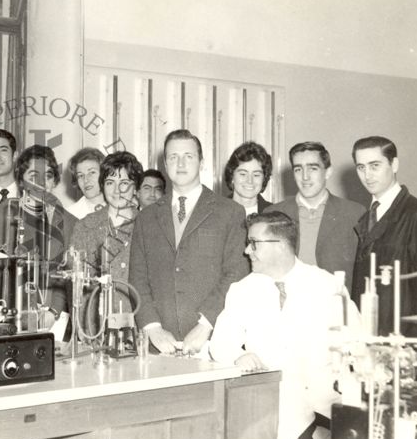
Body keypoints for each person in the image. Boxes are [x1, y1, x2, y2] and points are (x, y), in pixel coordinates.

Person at [210, 211, 356, 439]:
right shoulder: (242, 290)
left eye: (253, 243)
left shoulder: (327, 285)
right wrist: (238, 355)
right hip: (271, 404)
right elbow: (220, 343)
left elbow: (356, 341)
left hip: (327, 406)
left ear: (280, 245)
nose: (247, 251)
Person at [130, 129, 248, 354]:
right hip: (159, 345)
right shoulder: (146, 217)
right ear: (165, 164)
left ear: (201, 162)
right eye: (173, 157)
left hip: (215, 342)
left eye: (189, 156)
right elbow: (137, 278)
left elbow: (235, 275)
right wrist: (153, 329)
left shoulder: (230, 212)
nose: (181, 163)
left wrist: (205, 326)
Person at [351, 136, 417, 337]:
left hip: (404, 341)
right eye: (361, 167)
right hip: (370, 337)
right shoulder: (367, 217)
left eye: (375, 165)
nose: (367, 175)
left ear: (394, 164)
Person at [0, 145, 76, 312]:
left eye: (48, 176)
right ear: (20, 180)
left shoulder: (72, 225)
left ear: (55, 181)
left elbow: (73, 281)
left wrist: (54, 312)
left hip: (54, 320)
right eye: (34, 175)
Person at [267, 142, 364, 286]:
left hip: (335, 304)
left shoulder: (354, 214)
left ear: (328, 172)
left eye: (313, 168)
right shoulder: (272, 214)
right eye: (298, 169)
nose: (305, 177)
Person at [71, 151, 142, 318]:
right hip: (95, 324)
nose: (117, 190)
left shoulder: (147, 226)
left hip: (135, 323)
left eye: (124, 182)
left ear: (136, 188)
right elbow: (78, 287)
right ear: (102, 185)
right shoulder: (84, 227)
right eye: (110, 182)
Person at [224, 141, 273, 216]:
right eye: (243, 174)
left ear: (264, 179)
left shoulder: (274, 213)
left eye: (256, 175)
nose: (250, 181)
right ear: (232, 176)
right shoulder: (215, 212)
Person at [67, 147, 106, 220]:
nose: (86, 180)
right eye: (80, 175)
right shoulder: (69, 216)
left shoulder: (123, 207)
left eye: (92, 172)